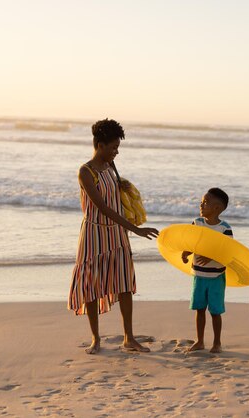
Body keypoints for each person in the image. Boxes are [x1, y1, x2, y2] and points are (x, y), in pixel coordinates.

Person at [68, 118, 159, 355]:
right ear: (99, 144)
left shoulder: (110, 167)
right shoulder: (86, 172)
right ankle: (95, 338)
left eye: (118, 148)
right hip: (94, 235)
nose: (116, 152)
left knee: (125, 284)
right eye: (113, 148)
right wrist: (136, 229)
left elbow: (116, 199)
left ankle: (129, 337)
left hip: (117, 235)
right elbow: (102, 207)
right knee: (90, 286)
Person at [181, 188, 232, 354]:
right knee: (199, 309)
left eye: (205, 202)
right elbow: (192, 242)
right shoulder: (197, 222)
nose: (201, 205)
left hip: (216, 276)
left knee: (215, 311)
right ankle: (200, 341)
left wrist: (210, 257)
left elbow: (227, 250)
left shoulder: (224, 228)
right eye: (201, 202)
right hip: (199, 275)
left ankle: (217, 343)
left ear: (217, 208)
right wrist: (187, 252)